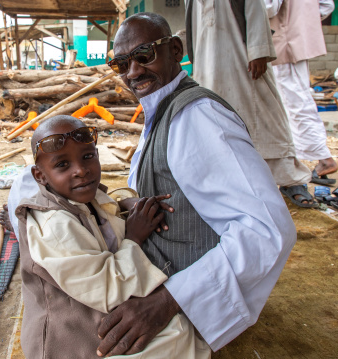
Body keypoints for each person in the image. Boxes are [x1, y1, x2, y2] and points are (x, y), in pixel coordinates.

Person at [94, 13, 296, 356]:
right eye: (121, 63)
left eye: (144, 55)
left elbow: (267, 230)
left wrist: (169, 301)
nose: (133, 72)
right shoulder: (164, 108)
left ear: (175, 50)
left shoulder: (198, 117)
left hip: (184, 301)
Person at [15, 115, 211, 358]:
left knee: (178, 327)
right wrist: (134, 238)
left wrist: (126, 204)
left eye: (88, 157)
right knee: (175, 336)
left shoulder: (78, 195)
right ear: (40, 176)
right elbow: (108, 288)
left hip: (93, 301)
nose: (81, 171)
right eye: (63, 165)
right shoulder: (55, 225)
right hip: (67, 330)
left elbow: (104, 214)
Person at [185, 0, 316, 207]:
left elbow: (254, 6)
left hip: (242, 57)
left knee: (264, 115)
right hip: (208, 64)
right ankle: (231, 182)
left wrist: (258, 49)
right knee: (217, 121)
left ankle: (290, 180)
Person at [268, 0, 338, 186]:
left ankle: (323, 158)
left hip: (282, 41)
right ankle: (304, 157)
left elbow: (269, 7)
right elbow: (326, 6)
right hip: (298, 39)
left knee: (294, 103)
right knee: (297, 100)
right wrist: (302, 21)